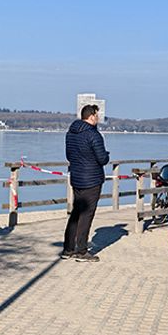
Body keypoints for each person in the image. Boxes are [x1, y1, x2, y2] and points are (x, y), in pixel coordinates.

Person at [63, 104, 110, 262]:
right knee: (87, 214)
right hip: (92, 179)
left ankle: (68, 248)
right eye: (97, 115)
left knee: (76, 212)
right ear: (91, 116)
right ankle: (81, 251)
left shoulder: (71, 133)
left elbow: (69, 155)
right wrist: (106, 155)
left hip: (76, 177)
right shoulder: (94, 135)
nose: (98, 118)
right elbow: (102, 159)